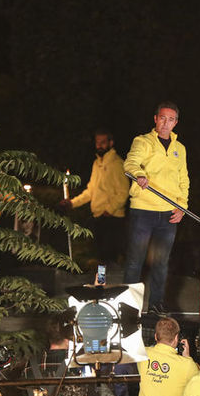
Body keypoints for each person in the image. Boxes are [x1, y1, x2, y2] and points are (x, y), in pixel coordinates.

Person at [123, 101, 189, 312]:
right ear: (155, 119)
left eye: (171, 119)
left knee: (161, 262)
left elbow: (183, 179)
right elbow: (130, 163)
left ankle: (156, 305)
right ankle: (129, 307)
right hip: (143, 211)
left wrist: (182, 206)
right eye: (162, 118)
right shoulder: (143, 141)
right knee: (135, 261)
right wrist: (139, 174)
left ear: (175, 122)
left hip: (169, 213)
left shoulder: (180, 149)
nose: (165, 123)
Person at [60, 128, 130, 265]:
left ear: (111, 143)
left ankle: (111, 278)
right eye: (98, 142)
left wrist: (109, 210)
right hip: (99, 216)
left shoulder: (117, 163)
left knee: (109, 258)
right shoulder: (97, 163)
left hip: (113, 218)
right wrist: (72, 203)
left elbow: (124, 191)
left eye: (103, 142)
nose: (99, 145)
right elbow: (91, 191)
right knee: (101, 257)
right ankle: (102, 278)